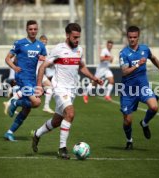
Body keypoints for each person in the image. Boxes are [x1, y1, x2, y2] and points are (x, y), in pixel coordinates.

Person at [31, 23, 103, 159]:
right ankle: (62, 149)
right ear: (67, 35)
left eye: (78, 37)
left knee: (57, 121)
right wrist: (39, 86)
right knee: (70, 113)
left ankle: (36, 134)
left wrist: (94, 78)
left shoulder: (79, 50)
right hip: (59, 88)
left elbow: (81, 67)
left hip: (72, 90)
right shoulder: (58, 49)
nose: (77, 40)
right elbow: (42, 68)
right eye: (75, 37)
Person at [119, 26, 159, 150]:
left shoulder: (145, 49)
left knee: (154, 106)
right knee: (127, 121)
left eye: (135, 37)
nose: (132, 40)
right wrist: (137, 64)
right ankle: (129, 140)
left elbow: (154, 58)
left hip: (142, 87)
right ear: (127, 37)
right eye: (130, 37)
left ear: (138, 37)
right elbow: (124, 72)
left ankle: (144, 123)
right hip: (128, 91)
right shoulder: (123, 53)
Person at [3, 20, 47, 141]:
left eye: (35, 29)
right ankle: (15, 103)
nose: (33, 31)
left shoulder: (41, 46)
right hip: (22, 78)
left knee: (27, 109)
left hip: (33, 79)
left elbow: (43, 61)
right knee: (37, 103)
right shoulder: (19, 43)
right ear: (27, 30)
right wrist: (14, 67)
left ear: (37, 30)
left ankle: (9, 132)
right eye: (30, 29)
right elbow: (7, 59)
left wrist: (43, 59)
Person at [37, 35, 55, 114]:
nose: (44, 42)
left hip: (37, 73)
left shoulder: (43, 49)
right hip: (37, 73)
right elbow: (47, 62)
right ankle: (46, 106)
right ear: (40, 41)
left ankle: (11, 102)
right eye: (43, 41)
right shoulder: (40, 49)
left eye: (45, 41)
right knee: (50, 87)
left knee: (27, 90)